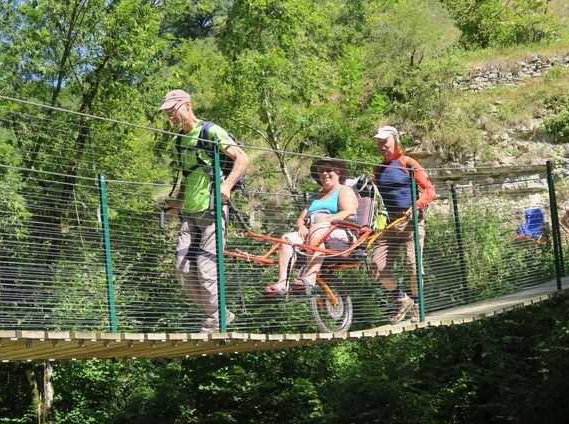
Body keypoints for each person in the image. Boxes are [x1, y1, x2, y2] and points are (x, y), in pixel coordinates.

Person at [160, 89, 250, 332]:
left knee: (205, 266)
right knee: (182, 269)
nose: (171, 116)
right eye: (167, 113)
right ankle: (219, 314)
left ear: (187, 105)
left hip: (213, 211)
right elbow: (187, 179)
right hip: (189, 214)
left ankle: (215, 322)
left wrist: (227, 185)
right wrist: (174, 205)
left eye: (173, 110)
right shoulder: (178, 141)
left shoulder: (211, 131)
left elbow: (242, 158)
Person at [369, 126, 436, 324]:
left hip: (412, 223)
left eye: (385, 142)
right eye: (379, 143)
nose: (382, 146)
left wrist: (416, 206)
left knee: (414, 268)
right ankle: (402, 299)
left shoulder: (408, 162)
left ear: (396, 141)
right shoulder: (378, 169)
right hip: (390, 224)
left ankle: (417, 305)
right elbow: (374, 199)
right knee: (376, 265)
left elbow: (430, 190)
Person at [263, 158, 358, 295]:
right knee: (286, 238)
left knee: (317, 231)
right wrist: (302, 227)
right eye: (321, 171)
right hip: (314, 232)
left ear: (338, 172)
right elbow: (301, 219)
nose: (324, 173)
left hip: (341, 233)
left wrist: (325, 222)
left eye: (328, 170)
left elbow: (349, 212)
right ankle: (282, 283)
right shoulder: (315, 197)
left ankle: (310, 278)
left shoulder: (344, 191)